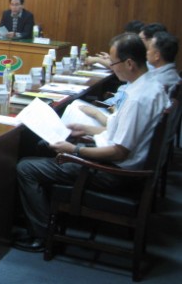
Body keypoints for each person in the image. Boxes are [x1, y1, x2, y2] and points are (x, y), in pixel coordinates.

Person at [15, 33, 168, 252]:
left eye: (113, 63)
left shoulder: (137, 99)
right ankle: (42, 214)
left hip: (114, 173)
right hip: (122, 162)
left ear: (129, 63)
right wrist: (86, 129)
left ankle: (41, 235)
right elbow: (122, 131)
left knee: (26, 167)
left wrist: (74, 149)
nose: (112, 68)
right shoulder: (151, 86)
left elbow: (119, 152)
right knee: (42, 146)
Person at [145, 31, 180, 95]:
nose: (147, 52)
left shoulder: (158, 82)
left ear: (157, 55)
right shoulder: (172, 75)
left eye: (148, 49)